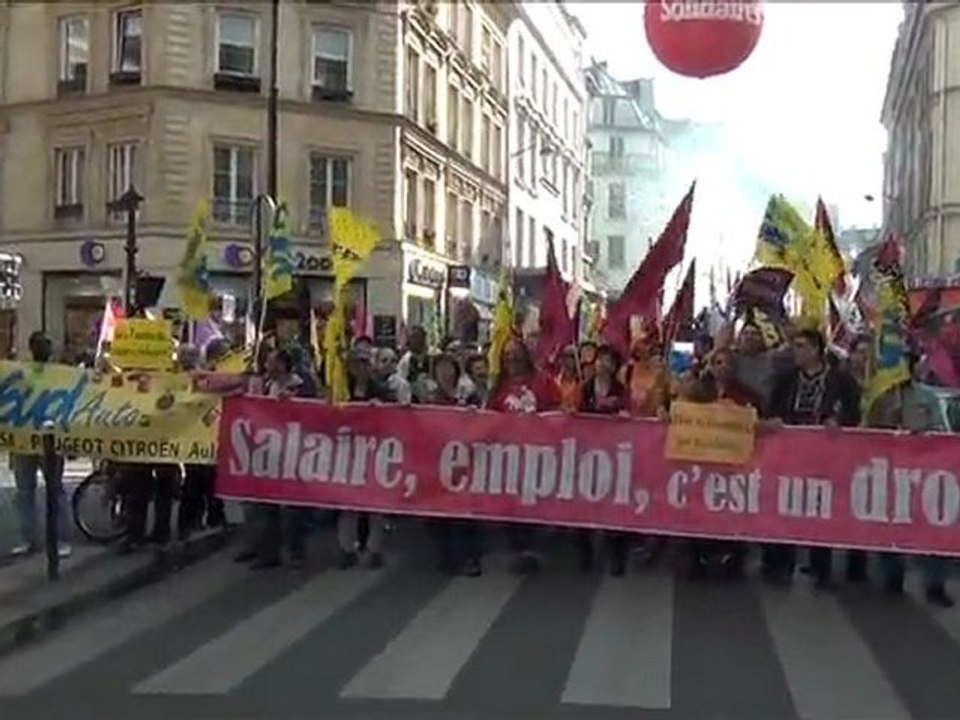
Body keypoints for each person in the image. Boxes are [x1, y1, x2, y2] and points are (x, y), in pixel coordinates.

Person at [765, 328, 861, 588]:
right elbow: (772, 409)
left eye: (801, 346)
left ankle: (821, 567)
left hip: (824, 456)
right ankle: (781, 564)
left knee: (821, 509)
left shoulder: (841, 381)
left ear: (817, 350)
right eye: (794, 346)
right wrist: (773, 421)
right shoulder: (786, 380)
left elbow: (853, 411)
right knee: (786, 506)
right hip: (789, 454)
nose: (796, 351)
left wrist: (838, 420)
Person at [686, 348, 763, 578]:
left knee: (731, 512)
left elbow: (757, 416)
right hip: (703, 461)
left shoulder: (745, 393)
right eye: (715, 362)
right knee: (698, 510)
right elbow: (681, 411)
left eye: (724, 363)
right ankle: (697, 557)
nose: (718, 367)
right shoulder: (699, 390)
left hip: (733, 465)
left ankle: (733, 558)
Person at [488, 336, 561, 573]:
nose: (512, 358)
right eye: (507, 354)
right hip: (507, 455)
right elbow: (489, 415)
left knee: (534, 502)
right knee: (510, 504)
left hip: (538, 454)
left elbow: (556, 409)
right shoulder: (499, 385)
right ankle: (516, 549)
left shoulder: (543, 381)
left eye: (515, 353)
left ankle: (533, 549)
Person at [237, 347, 308, 569]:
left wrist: (293, 403)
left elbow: (313, 412)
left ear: (284, 365)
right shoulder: (265, 384)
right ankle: (268, 552)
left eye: (273, 362)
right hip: (267, 451)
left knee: (292, 509)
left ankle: (295, 550)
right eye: (267, 362)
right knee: (265, 506)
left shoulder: (301, 385)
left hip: (292, 452)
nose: (268, 366)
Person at [9, 331, 71, 559]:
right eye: (39, 345)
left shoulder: (60, 375)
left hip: (51, 440)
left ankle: (60, 540)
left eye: (45, 345)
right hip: (24, 440)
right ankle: (28, 538)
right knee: (24, 492)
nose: (43, 349)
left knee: (55, 490)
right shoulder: (20, 373)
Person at [337, 343, 392, 569]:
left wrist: (381, 407)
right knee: (347, 505)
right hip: (346, 452)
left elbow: (395, 412)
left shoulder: (380, 388)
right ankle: (347, 548)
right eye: (357, 362)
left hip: (374, 452)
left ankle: (374, 549)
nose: (361, 367)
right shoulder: (340, 387)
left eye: (365, 362)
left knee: (375, 505)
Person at [428, 353, 483, 576]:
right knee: (441, 513)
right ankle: (446, 556)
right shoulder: (431, 397)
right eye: (440, 368)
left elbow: (483, 419)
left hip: (466, 460)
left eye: (448, 367)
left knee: (465, 513)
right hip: (439, 461)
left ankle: (471, 557)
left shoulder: (468, 393)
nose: (445, 372)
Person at [577, 345, 630, 576]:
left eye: (609, 361)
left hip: (614, 454)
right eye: (601, 360)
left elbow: (631, 412)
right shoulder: (584, 388)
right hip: (586, 453)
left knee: (614, 507)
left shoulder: (621, 390)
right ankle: (585, 554)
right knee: (584, 506)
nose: (603, 365)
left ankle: (616, 556)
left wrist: (625, 417)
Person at [556, 346, 582, 413]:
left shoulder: (582, 381)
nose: (567, 361)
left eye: (571, 358)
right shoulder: (555, 381)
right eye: (565, 358)